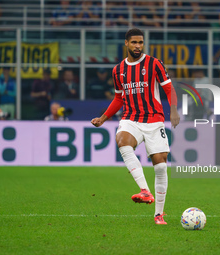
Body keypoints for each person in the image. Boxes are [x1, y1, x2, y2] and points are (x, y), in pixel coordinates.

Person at [91, 28, 180, 225]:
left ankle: (159, 214)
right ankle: (145, 191)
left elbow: (169, 88)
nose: (138, 46)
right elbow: (118, 98)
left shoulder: (154, 64)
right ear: (126, 44)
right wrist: (103, 118)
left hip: (154, 119)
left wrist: (173, 110)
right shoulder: (117, 70)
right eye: (134, 43)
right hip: (131, 118)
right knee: (122, 141)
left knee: (160, 166)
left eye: (140, 42)